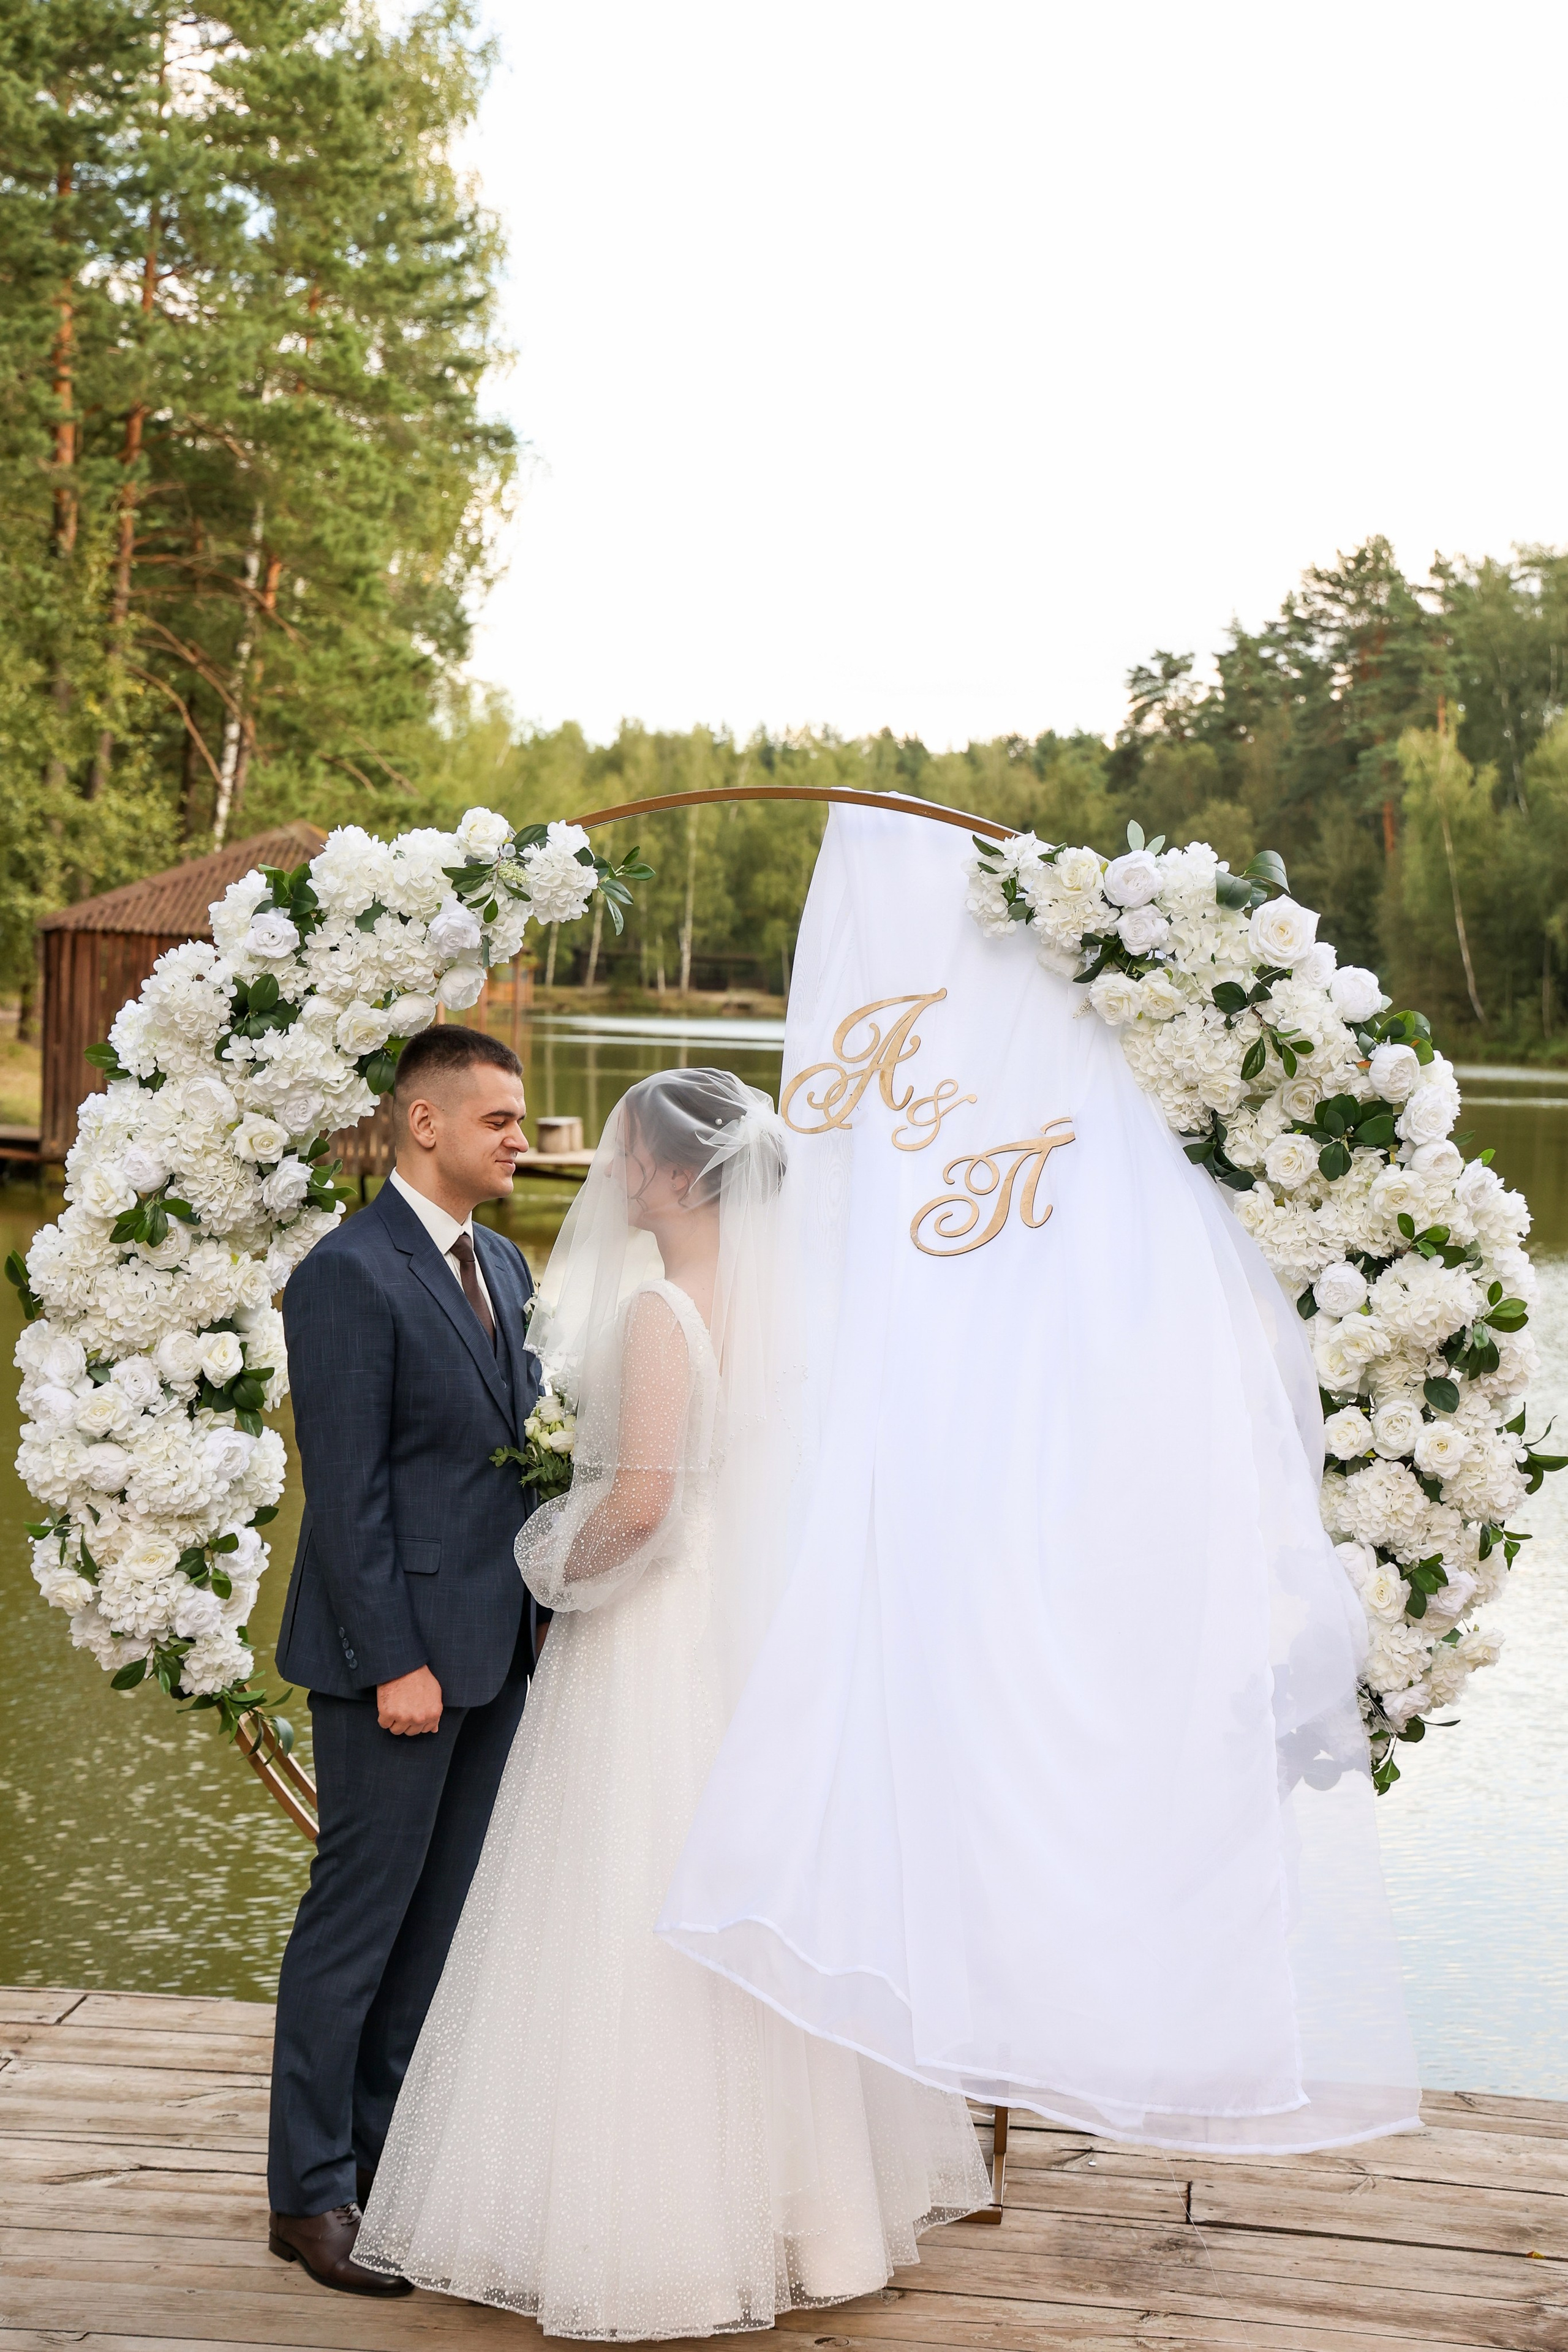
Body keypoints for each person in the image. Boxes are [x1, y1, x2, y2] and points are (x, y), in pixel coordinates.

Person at [355, 1069, 990, 2334]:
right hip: (750, 1640)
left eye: (631, 1158)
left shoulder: (661, 1310)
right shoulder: (797, 1306)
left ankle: (650, 2236)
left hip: (654, 1637)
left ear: (682, 1179)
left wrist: (545, 1565)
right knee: (746, 1913)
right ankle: (807, 2221)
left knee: (626, 1901)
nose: (613, 1173)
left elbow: (638, 1506)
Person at [267, 1025, 551, 2297]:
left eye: (522, 1118)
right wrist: (394, 1662)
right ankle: (308, 2193)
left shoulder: (503, 1261)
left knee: (436, 1932)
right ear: (422, 1123)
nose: (520, 1138)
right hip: (396, 1663)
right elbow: (347, 1495)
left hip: (498, 1653)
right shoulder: (348, 1273)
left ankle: (384, 2164)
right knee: (357, 1925)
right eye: (498, 1118)